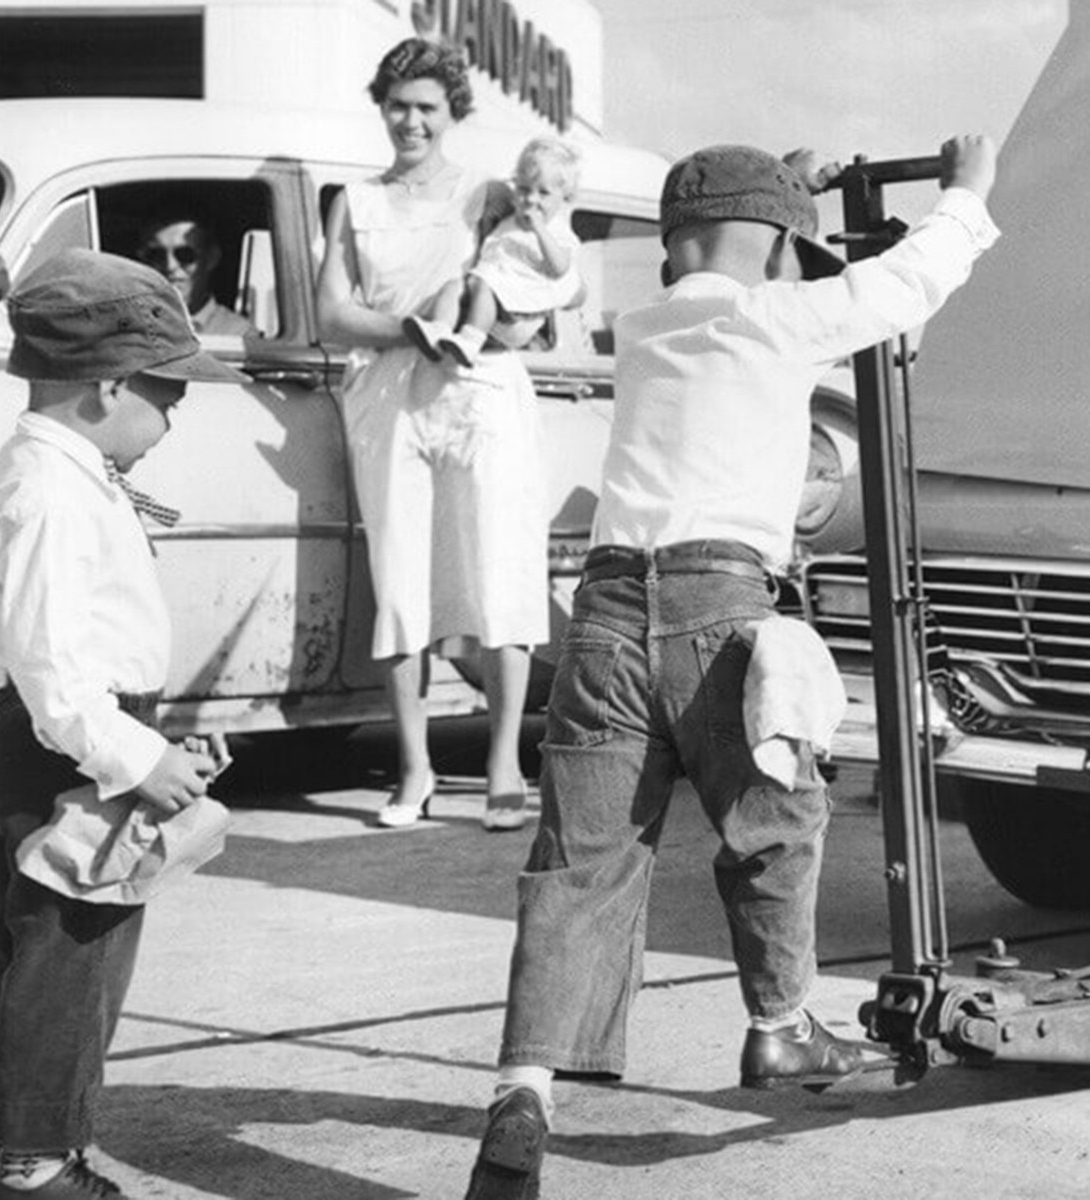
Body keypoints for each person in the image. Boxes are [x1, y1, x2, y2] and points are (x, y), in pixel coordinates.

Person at [462, 134, 1002, 1200]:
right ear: (777, 246)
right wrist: (966, 194)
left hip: (609, 609)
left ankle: (523, 1092)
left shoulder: (651, 326)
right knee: (778, 818)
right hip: (720, 605)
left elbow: (731, 266)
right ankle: (779, 1024)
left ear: (674, 247)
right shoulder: (779, 317)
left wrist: (782, 211)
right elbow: (906, 284)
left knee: (580, 866)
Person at [0, 248, 245, 1199]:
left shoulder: (47, 471)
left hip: (50, 738)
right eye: (169, 396)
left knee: (23, 959)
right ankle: (38, 1168)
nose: (172, 417)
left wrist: (160, 741)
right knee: (71, 963)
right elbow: (58, 674)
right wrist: (136, 757)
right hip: (66, 749)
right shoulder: (52, 493)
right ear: (110, 384)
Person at [316, 37, 551, 833]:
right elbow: (332, 312)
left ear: (453, 114)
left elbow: (528, 298)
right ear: (380, 106)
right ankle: (414, 769)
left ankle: (504, 765)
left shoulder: (485, 195)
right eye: (397, 105)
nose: (409, 121)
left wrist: (491, 326)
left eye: (426, 108)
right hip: (389, 396)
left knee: (498, 572)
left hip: (480, 397)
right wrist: (405, 330)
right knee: (401, 576)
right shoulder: (356, 199)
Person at [406, 135, 584, 367]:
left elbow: (559, 267)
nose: (530, 199)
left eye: (543, 193)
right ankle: (438, 330)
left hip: (517, 302)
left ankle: (471, 340)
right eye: (523, 189)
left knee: (485, 288)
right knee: (454, 286)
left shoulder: (557, 232)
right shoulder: (509, 220)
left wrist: (540, 230)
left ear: (566, 197)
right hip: (489, 286)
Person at [134, 216, 260, 338]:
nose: (170, 266)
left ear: (211, 258)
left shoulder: (239, 334)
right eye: (157, 255)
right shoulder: (128, 328)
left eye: (185, 254)